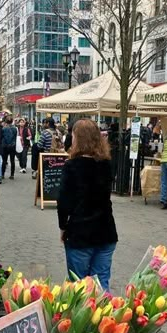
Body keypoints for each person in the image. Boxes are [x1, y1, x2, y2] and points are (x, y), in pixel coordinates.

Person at [57, 119, 118, 290]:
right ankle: (104, 316)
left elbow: (63, 201)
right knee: (101, 282)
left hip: (80, 232)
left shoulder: (72, 166)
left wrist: (63, 227)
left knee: (79, 285)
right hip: (106, 230)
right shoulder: (106, 164)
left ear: (77, 138)